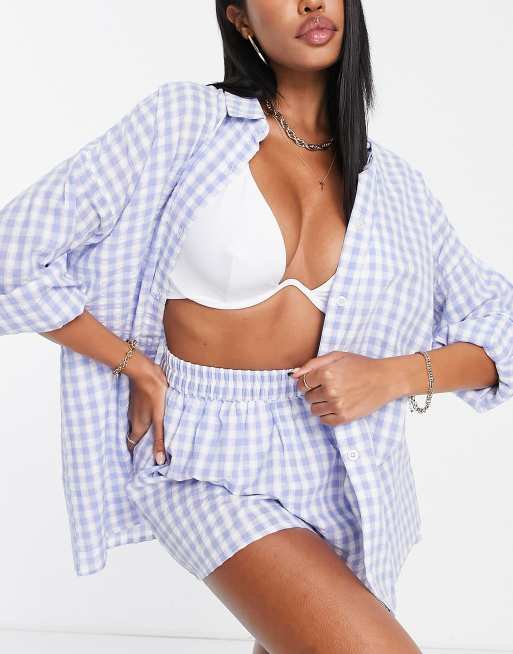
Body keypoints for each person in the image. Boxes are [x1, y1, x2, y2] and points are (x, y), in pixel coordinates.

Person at [1, 1, 512, 652]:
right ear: (240, 18)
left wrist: (392, 377)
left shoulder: (395, 187)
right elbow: (13, 254)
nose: (311, 2)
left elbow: (501, 321)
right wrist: (132, 362)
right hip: (204, 455)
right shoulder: (187, 123)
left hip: (345, 464)